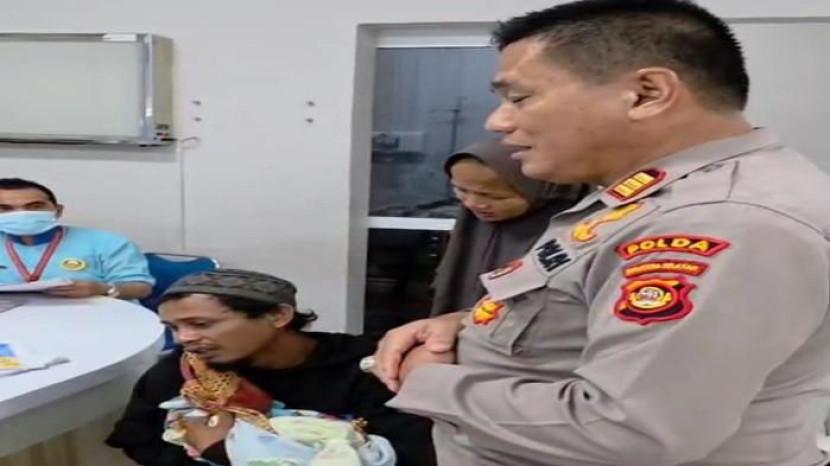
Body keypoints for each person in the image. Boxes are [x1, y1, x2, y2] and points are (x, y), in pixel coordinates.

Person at [371, 1, 830, 465]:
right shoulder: (649, 197)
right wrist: (472, 325)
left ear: (646, 93)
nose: (498, 122)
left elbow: (627, 431)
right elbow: (582, 309)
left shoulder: (721, 220)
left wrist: (427, 380)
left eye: (520, 98)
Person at [107, 268, 435, 466]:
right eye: (174, 328)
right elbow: (140, 440)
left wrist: (222, 451)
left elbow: (415, 454)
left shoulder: (368, 367)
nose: (184, 339)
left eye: (201, 324)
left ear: (278, 316)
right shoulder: (182, 374)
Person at [430, 139, 587, 316]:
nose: (472, 203)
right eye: (461, 190)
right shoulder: (472, 226)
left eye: (495, 197)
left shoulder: (576, 233)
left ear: (539, 191)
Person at [0, 178, 153, 299]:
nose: (21, 214)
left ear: (58, 210)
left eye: (35, 206)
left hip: (93, 316)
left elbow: (142, 288)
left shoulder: (108, 242)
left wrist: (104, 289)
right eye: (5, 209)